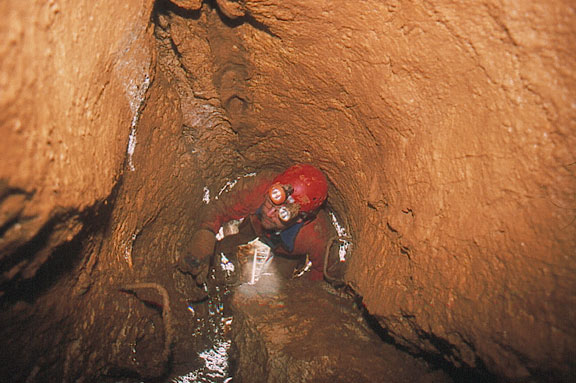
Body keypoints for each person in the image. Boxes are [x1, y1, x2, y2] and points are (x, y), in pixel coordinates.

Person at [179, 164, 336, 284]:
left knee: (277, 284)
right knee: (233, 240)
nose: (269, 214)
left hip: (287, 252)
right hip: (255, 225)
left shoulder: (316, 237)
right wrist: (206, 233)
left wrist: (300, 293)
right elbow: (221, 207)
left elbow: (320, 273)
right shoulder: (259, 188)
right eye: (271, 202)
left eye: (282, 214)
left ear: (300, 219)